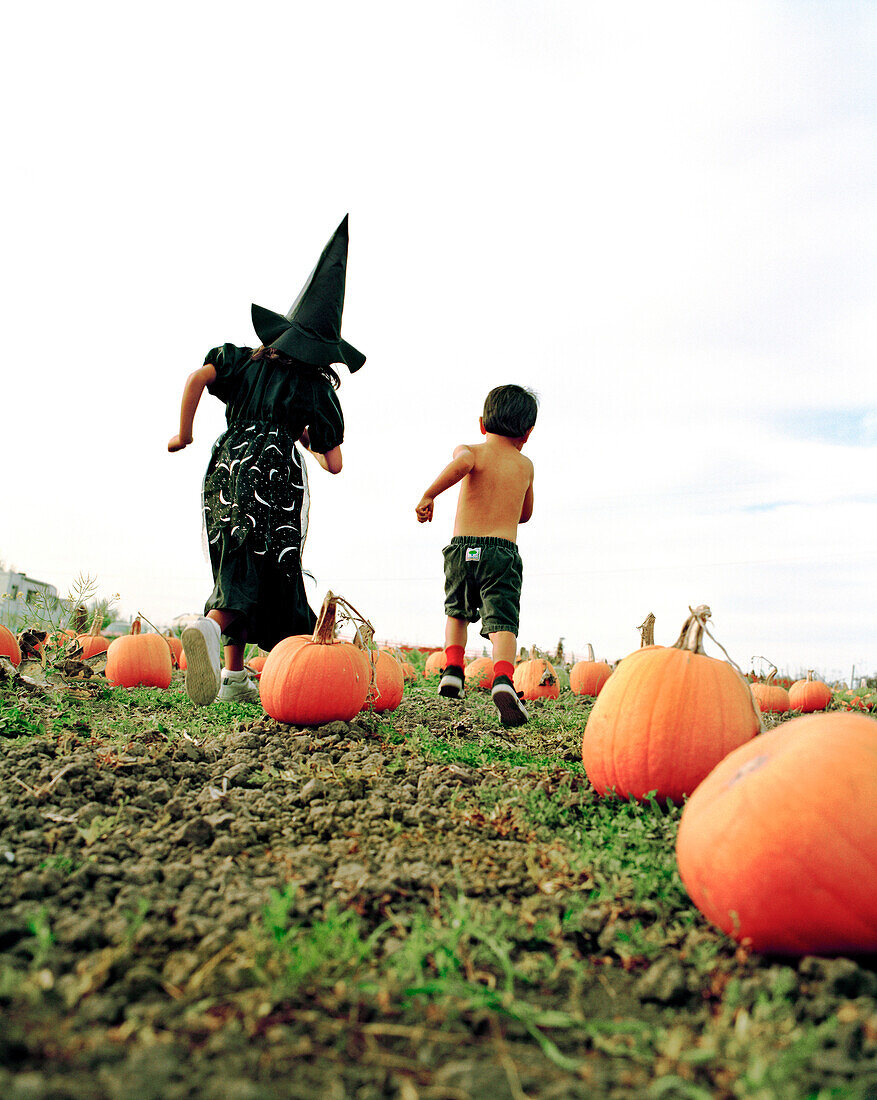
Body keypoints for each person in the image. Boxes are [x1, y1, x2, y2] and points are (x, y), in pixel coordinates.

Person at [168, 216, 365, 705]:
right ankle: (211, 629)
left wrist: (184, 433)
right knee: (265, 566)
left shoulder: (244, 360)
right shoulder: (315, 388)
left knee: (233, 557)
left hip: (225, 466)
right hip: (273, 476)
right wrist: (306, 441)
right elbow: (334, 462)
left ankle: (234, 678)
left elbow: (196, 378)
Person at [415, 385, 537, 727]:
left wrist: (429, 494)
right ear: (528, 433)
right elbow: (525, 515)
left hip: (461, 548)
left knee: (457, 611)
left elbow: (463, 463)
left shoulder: (471, 450)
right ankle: (502, 679)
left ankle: (453, 670)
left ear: (482, 423)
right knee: (502, 621)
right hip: (501, 551)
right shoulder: (525, 465)